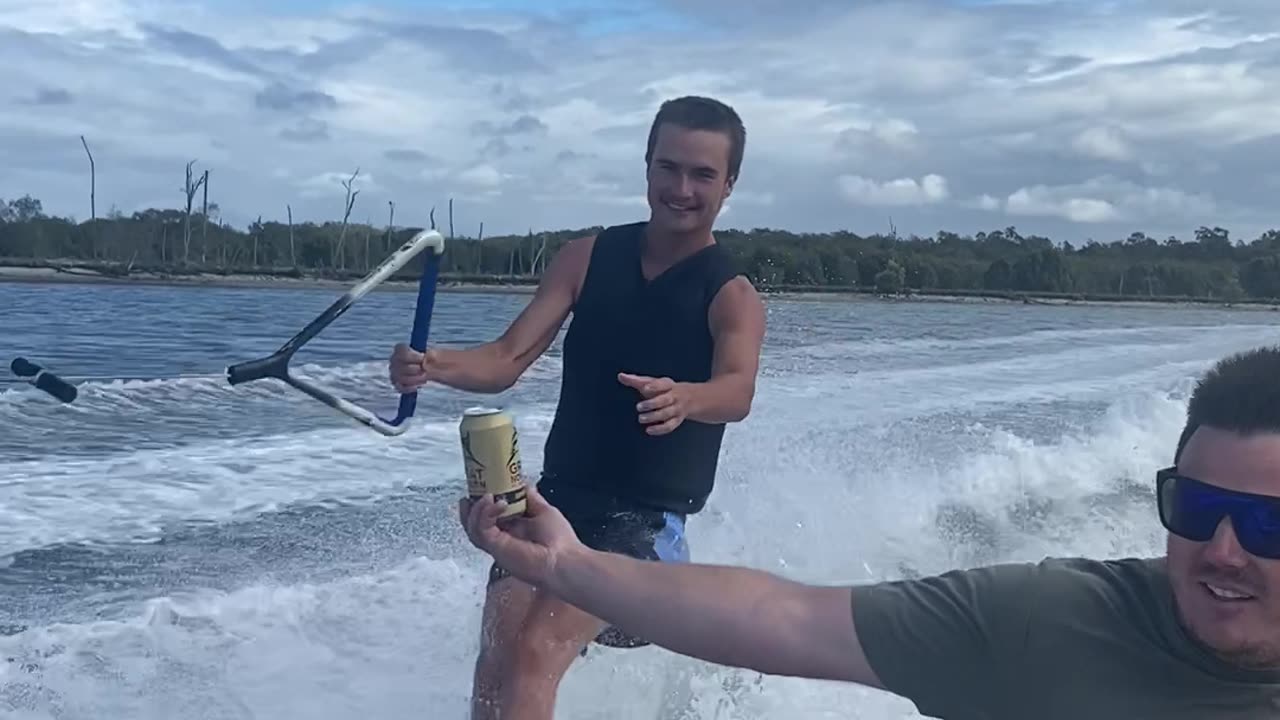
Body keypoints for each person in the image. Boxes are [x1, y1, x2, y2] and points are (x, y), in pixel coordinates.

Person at [459, 345, 1280, 717]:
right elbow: (784, 618)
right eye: (1200, 510)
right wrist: (566, 565)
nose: (1223, 552)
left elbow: (735, 385)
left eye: (1266, 524)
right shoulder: (1052, 621)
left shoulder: (730, 294)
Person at [390, 95, 767, 720]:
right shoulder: (585, 258)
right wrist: (432, 365)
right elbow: (507, 359)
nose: (681, 188)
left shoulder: (732, 294)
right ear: (646, 166)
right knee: (500, 654)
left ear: (729, 183)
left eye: (702, 174)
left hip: (646, 529)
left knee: (538, 649)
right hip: (554, 500)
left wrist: (688, 397)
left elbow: (738, 390)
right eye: (667, 167)